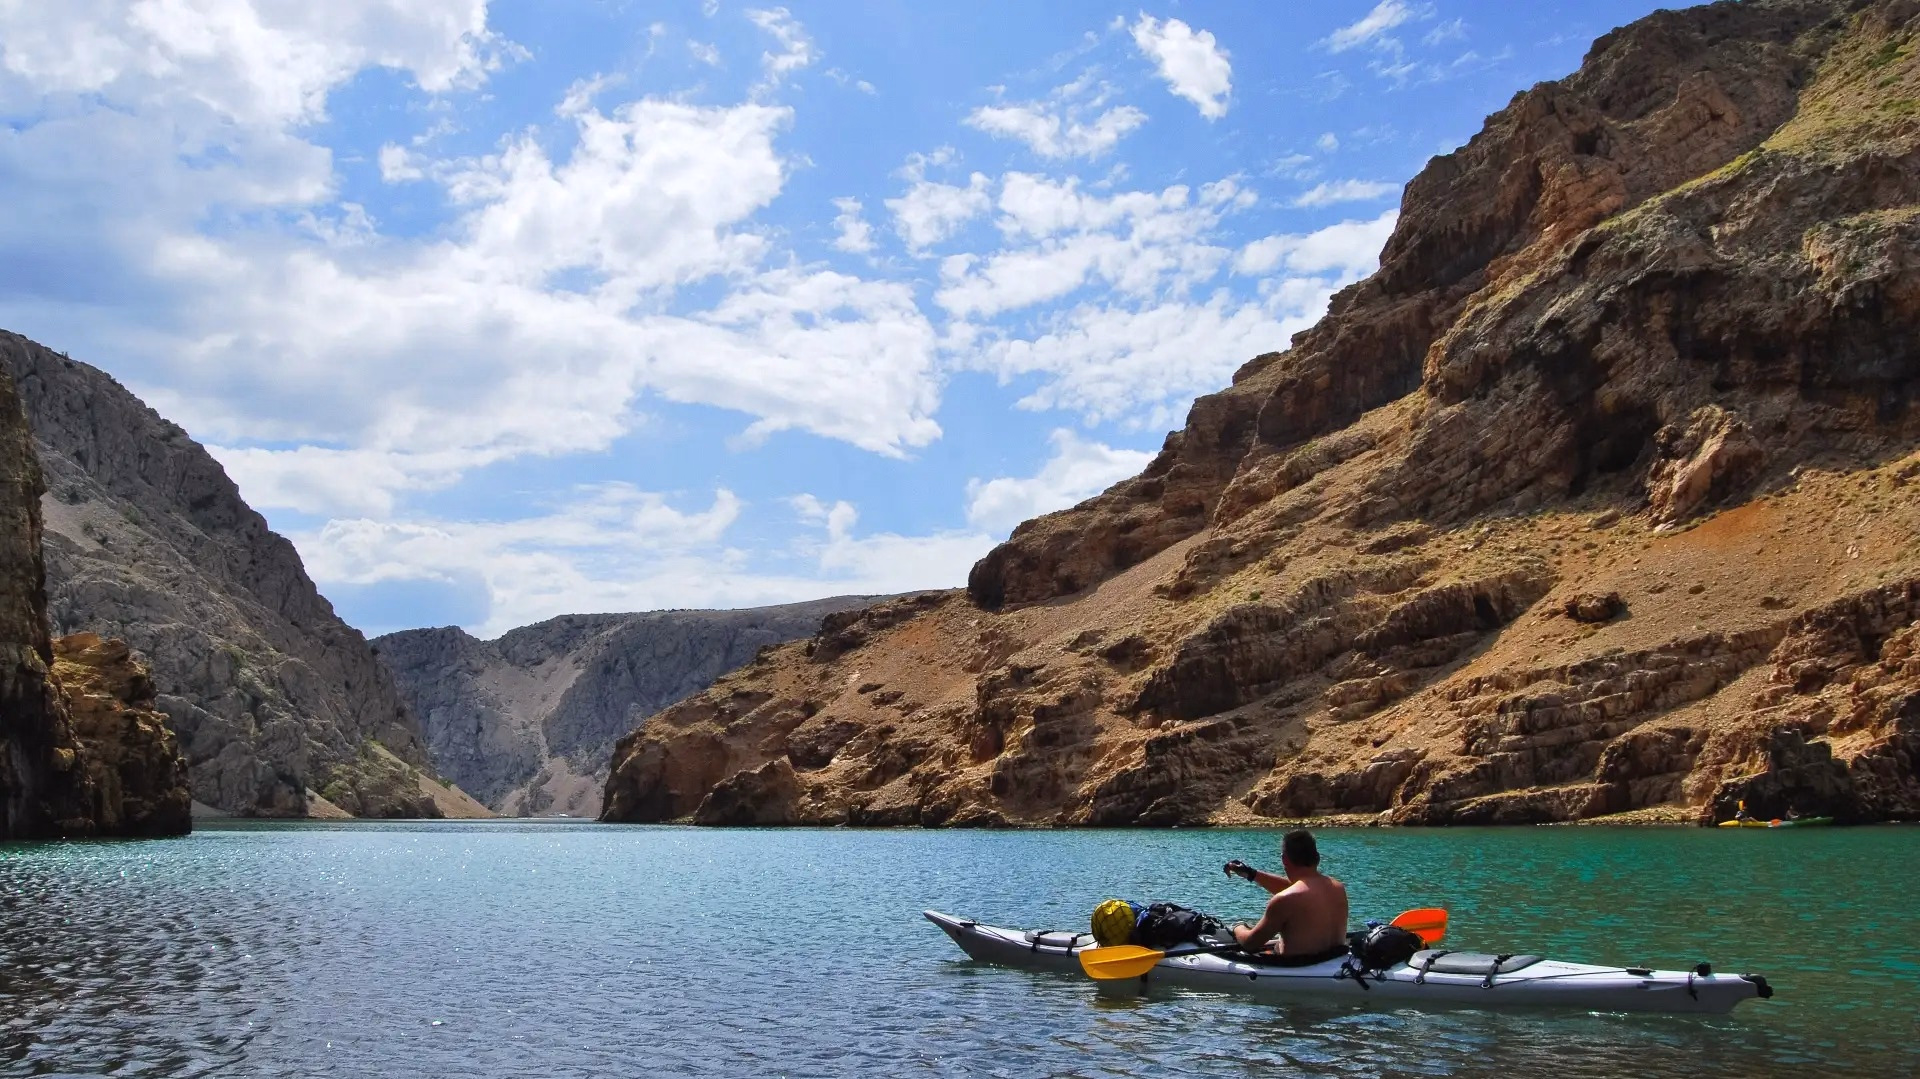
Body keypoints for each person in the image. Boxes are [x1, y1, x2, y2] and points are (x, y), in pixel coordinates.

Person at [1221, 830, 1349, 960]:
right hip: (1334, 962)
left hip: (1297, 968)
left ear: (1284, 859)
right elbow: (1300, 891)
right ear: (1317, 857)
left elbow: (1251, 943)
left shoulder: (1284, 900)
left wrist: (1238, 927)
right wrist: (1251, 873)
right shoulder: (1338, 888)